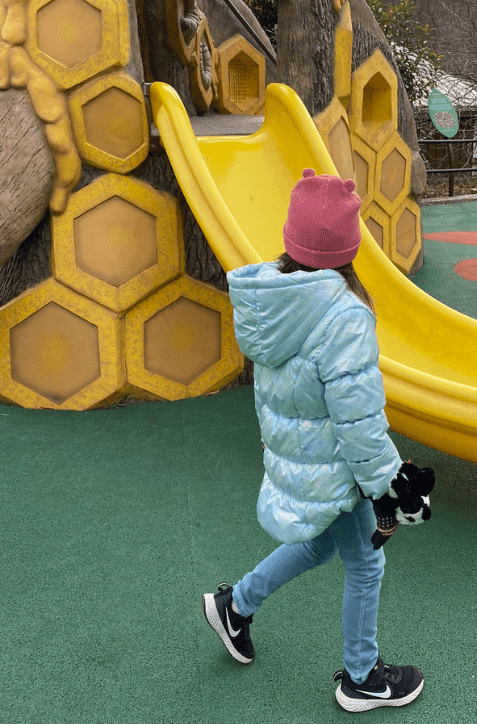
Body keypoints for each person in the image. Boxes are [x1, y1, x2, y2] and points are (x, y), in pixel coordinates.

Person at [202, 168, 425, 713]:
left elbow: (275, 392)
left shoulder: (272, 301)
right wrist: (387, 486)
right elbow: (359, 420)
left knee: (322, 544)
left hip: (305, 456)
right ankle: (362, 677)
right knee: (366, 563)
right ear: (350, 247)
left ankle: (237, 604)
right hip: (339, 468)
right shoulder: (343, 314)